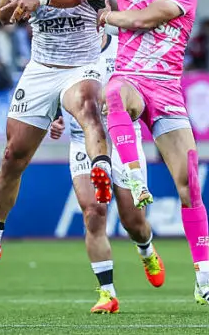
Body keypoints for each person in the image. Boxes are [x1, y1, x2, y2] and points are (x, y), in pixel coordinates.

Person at [63, 0, 209, 311]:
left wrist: (109, 16)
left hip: (169, 90)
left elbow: (145, 18)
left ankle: (204, 282)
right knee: (115, 95)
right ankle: (136, 179)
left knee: (190, 184)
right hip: (132, 80)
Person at [0, 0, 113, 281]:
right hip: (41, 70)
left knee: (87, 105)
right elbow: (4, 15)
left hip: (82, 65)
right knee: (11, 157)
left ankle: (101, 170)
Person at [48, 28, 163, 313]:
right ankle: (107, 294)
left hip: (121, 138)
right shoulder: (62, 51)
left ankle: (146, 248)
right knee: (93, 213)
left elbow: (142, 92)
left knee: (133, 221)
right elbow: (51, 91)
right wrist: (55, 118)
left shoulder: (123, 48)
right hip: (81, 140)